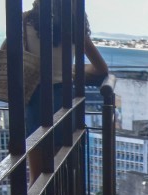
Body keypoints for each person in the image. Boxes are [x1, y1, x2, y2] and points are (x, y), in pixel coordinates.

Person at [21, 0, 108, 139]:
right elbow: (101, 68)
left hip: (35, 95)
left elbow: (6, 53)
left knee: (36, 151)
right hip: (64, 95)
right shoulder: (74, 24)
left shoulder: (25, 21)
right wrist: (70, 69)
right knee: (63, 154)